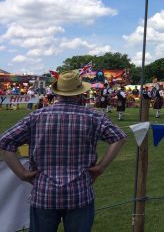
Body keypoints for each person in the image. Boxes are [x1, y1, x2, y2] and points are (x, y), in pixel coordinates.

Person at [0, 71, 127, 232]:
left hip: (44, 194)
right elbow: (120, 138)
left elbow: (5, 142)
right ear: (81, 93)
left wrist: (22, 174)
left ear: (57, 92)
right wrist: (101, 167)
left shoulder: (36, 116)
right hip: (79, 193)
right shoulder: (94, 117)